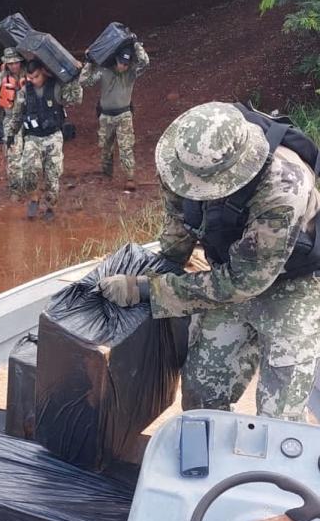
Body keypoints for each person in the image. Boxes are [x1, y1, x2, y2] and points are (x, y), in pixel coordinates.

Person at [97, 102, 320, 422]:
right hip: (229, 266)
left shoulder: (284, 186)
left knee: (279, 417)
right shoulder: (182, 157)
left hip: (293, 283)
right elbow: (178, 223)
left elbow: (244, 282)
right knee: (202, 391)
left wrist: (150, 291)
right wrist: (155, 271)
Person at [5, 60, 83, 220]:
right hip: (33, 137)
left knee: (52, 177)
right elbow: (18, 115)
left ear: (44, 72)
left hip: (53, 136)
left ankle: (50, 207)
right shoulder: (25, 91)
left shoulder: (56, 87)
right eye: (29, 77)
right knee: (28, 171)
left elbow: (75, 99)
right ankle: (34, 197)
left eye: (36, 76)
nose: (33, 80)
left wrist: (74, 78)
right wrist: (11, 134)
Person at [78, 38, 150, 192]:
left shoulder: (131, 73)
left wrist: (136, 44)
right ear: (116, 60)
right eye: (121, 63)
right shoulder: (104, 71)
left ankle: (129, 177)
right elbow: (84, 82)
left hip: (124, 115)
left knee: (126, 147)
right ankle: (106, 173)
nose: (123, 66)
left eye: (126, 63)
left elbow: (145, 62)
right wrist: (89, 62)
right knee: (105, 147)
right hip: (106, 116)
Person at [0, 48, 24, 144]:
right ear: (6, 64)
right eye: (10, 64)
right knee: (11, 150)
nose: (14, 66)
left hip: (27, 116)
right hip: (10, 118)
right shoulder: (1, 77)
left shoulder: (29, 73)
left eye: (16, 62)